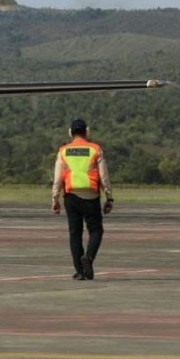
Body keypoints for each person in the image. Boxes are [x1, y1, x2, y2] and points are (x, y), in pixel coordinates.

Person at [51, 119, 114, 280]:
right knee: (96, 230)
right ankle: (89, 258)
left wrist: (55, 198)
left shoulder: (63, 151)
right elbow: (104, 175)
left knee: (75, 233)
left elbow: (58, 178)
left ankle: (80, 270)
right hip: (91, 195)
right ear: (87, 131)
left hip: (71, 195)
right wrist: (109, 197)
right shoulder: (95, 149)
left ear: (70, 133)